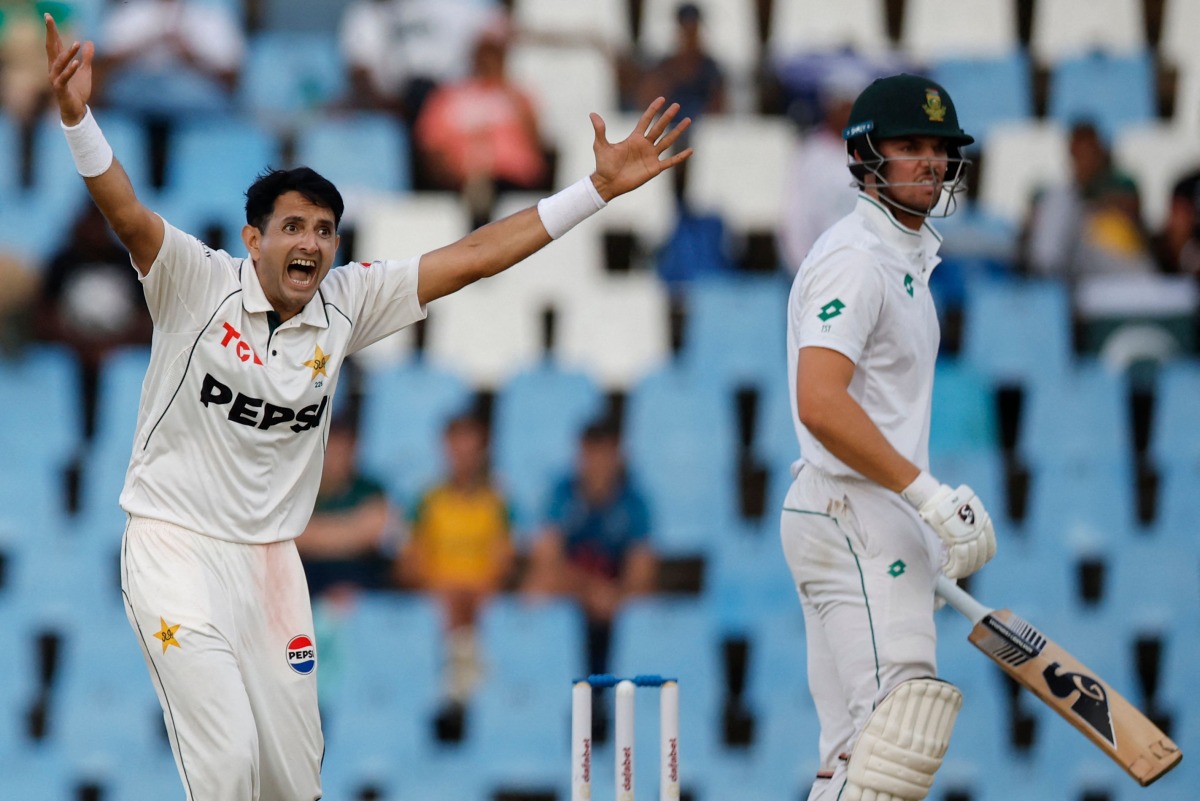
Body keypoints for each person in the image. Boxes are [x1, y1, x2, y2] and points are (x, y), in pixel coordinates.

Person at [45, 13, 691, 800]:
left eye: (324, 229)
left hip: (274, 561)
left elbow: (475, 255)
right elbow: (127, 214)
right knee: (228, 761)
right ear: (253, 239)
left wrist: (594, 191)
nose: (311, 242)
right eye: (293, 227)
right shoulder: (197, 281)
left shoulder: (347, 304)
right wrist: (78, 118)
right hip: (174, 546)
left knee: (293, 782)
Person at [780, 74, 997, 801]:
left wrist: (917, 530)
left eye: (940, 149)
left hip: (864, 518)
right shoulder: (857, 259)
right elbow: (818, 400)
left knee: (853, 756)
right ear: (866, 154)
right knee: (896, 739)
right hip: (853, 510)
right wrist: (926, 498)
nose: (931, 163)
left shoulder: (906, 259)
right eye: (910, 146)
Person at [520, 414, 658, 732]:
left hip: (613, 605)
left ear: (618, 456)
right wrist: (589, 591)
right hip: (575, 599)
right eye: (589, 454)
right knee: (535, 592)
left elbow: (642, 576)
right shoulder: (561, 494)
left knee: (645, 613)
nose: (596, 464)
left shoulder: (635, 502)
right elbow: (546, 561)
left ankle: (614, 705)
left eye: (604, 454)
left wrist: (612, 596)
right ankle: (542, 699)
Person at [398, 410, 514, 712]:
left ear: (482, 451)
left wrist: (473, 590)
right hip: (439, 597)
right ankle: (462, 683)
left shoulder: (498, 502)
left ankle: (460, 688)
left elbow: (504, 562)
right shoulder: (427, 501)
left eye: (470, 448)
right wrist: (443, 587)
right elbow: (410, 562)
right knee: (447, 600)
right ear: (445, 449)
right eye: (456, 447)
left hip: (481, 599)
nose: (463, 456)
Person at [33, 200, 154, 439]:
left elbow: (148, 321)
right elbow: (42, 319)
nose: (93, 230)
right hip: (72, 349)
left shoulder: (128, 262)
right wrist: (80, 346)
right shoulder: (62, 262)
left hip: (118, 351)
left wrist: (110, 347)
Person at [413, 23, 549, 221]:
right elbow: (429, 147)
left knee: (499, 193)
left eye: (494, 54)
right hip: (457, 183)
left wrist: (505, 87)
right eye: (484, 53)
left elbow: (536, 148)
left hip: (511, 183)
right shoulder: (447, 95)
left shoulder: (519, 96)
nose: (488, 60)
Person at [1023, 120, 1156, 280]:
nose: (1084, 162)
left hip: (1119, 262)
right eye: (1078, 155)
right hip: (1075, 264)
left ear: (1100, 153)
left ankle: (1045, 272)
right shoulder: (1063, 193)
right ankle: (1044, 274)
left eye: (1089, 154)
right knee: (1058, 198)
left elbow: (1132, 222)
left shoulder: (1121, 183)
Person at [294, 413, 399, 601]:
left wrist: (315, 533)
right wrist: (352, 530)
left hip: (359, 583)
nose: (337, 457)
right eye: (332, 449)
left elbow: (377, 532)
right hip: (308, 582)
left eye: (344, 449)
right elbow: (290, 537)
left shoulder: (371, 488)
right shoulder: (299, 489)